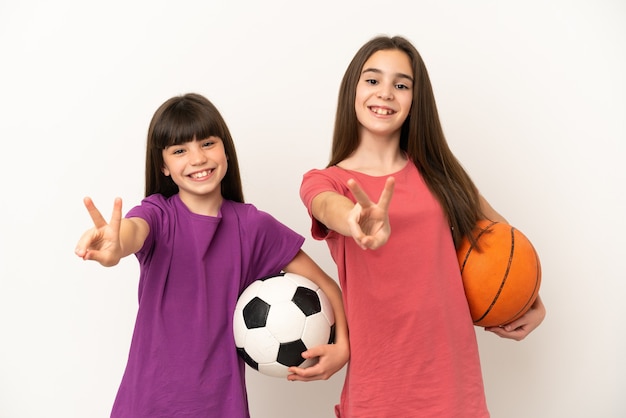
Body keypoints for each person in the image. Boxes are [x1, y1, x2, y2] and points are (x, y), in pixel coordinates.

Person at [299, 35, 546, 417]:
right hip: (378, 386)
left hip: (452, 383)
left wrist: (528, 297)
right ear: (353, 89)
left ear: (415, 100)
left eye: (401, 85)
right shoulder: (327, 181)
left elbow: (504, 244)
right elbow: (326, 206)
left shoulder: (439, 173)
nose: (386, 93)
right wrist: (353, 219)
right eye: (372, 80)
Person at [75, 93, 349, 418]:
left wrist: (343, 347)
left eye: (207, 143)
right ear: (163, 165)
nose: (197, 158)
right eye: (180, 150)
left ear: (225, 150)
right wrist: (115, 245)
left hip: (221, 407)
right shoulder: (157, 216)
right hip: (146, 405)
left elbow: (327, 287)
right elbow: (132, 232)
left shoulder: (252, 227)